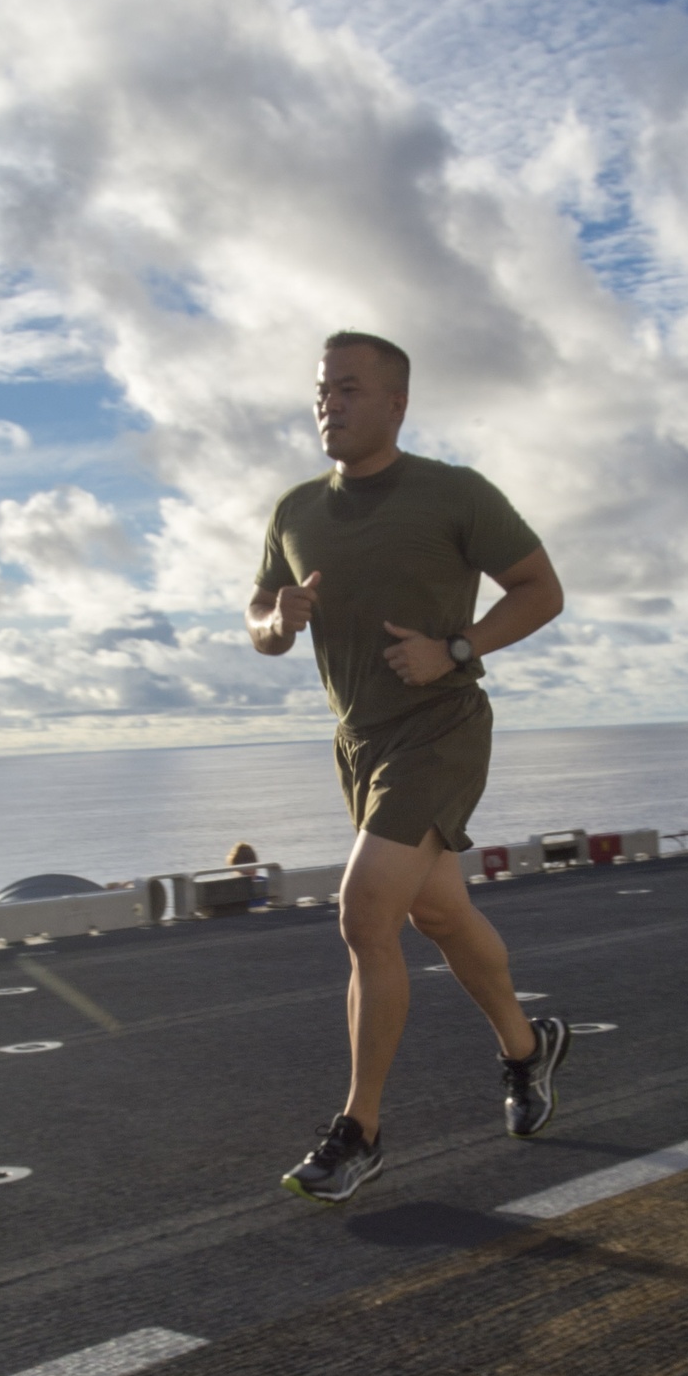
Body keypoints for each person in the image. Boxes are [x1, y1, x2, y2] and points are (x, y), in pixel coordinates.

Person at [246, 331, 569, 1203]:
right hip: (358, 743)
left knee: (363, 913)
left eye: (348, 389)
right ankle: (527, 1049)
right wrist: (279, 619)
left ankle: (360, 1132)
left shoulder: (454, 494)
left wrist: (456, 647)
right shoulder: (294, 510)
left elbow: (541, 588)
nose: (329, 405)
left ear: (395, 403)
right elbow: (260, 621)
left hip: (442, 725)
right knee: (441, 915)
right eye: (321, 391)